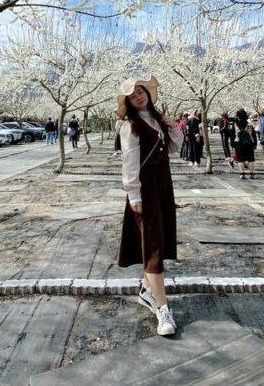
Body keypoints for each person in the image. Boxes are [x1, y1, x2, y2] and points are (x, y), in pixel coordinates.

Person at [116, 76, 183, 337]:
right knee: (152, 244)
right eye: (133, 96)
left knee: (157, 240)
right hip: (145, 189)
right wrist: (134, 195)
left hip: (162, 186)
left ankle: (147, 291)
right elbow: (129, 161)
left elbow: (176, 147)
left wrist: (172, 126)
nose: (139, 97)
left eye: (141, 92)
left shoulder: (157, 119)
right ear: (129, 102)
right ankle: (163, 308)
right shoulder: (130, 126)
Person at [232, 108, 256, 179]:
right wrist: (254, 144)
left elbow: (232, 135)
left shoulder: (235, 124)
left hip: (239, 144)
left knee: (240, 159)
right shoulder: (249, 124)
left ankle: (242, 174)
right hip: (249, 143)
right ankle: (251, 174)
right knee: (251, 159)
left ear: (238, 116)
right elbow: (253, 135)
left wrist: (232, 144)